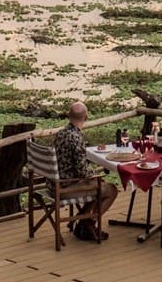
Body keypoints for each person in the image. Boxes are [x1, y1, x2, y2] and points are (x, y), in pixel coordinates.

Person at [54, 101, 119, 240]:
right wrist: (95, 175)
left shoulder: (60, 133)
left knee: (98, 184)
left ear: (68, 116)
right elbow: (83, 171)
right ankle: (89, 223)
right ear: (86, 117)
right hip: (67, 188)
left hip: (54, 183)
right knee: (111, 189)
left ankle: (83, 222)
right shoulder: (76, 138)